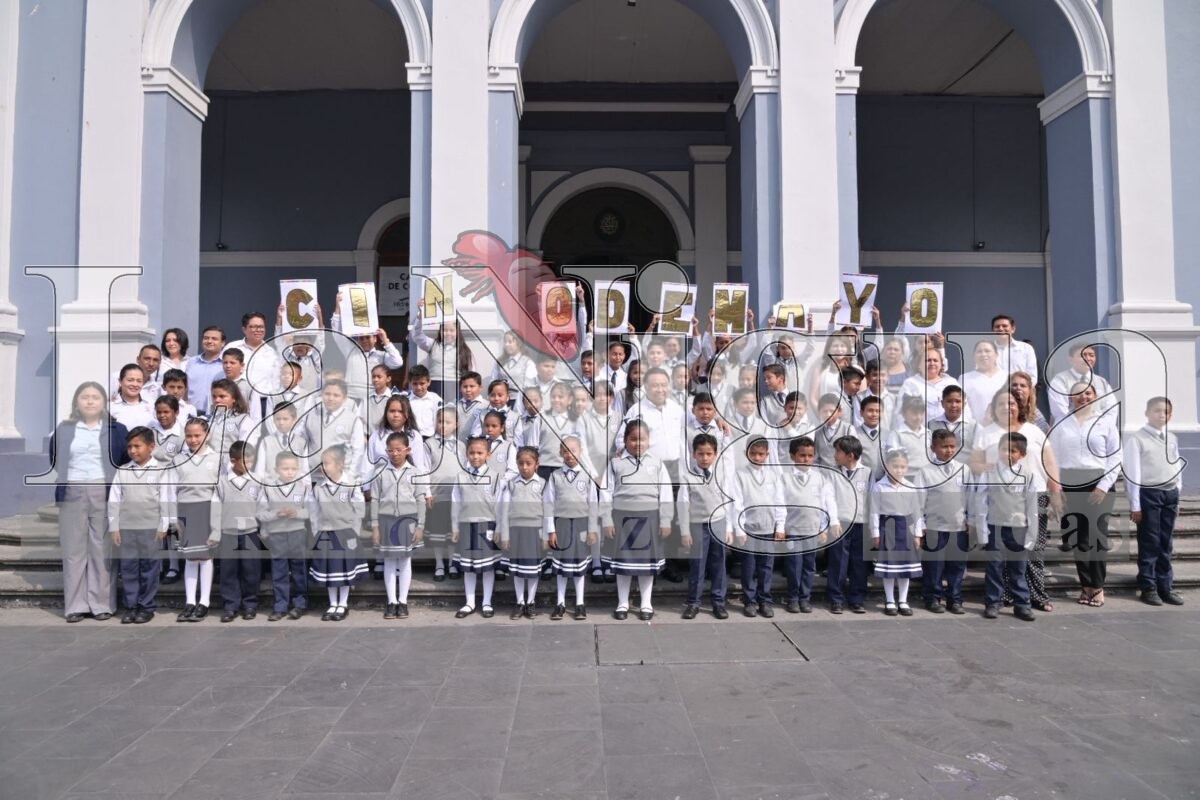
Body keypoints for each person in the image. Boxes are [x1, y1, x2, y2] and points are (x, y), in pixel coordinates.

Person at [52, 382, 130, 622]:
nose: (89, 401)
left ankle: (101, 604)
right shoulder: (65, 429)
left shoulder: (117, 429)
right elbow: (54, 458)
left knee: (102, 548)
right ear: (76, 402)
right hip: (72, 491)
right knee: (74, 549)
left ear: (104, 402)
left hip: (103, 491)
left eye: (95, 397)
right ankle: (75, 605)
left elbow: (124, 458)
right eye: (84, 397)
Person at [1048, 383, 1120, 608]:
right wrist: (1056, 489)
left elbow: (1115, 457)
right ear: (1070, 397)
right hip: (1070, 482)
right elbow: (1053, 458)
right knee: (1078, 538)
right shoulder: (1061, 424)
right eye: (1078, 394)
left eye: (1088, 393)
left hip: (1098, 482)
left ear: (1095, 396)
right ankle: (1086, 585)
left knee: (1096, 538)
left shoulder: (1105, 422)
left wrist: (1103, 486)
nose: (1083, 397)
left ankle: (1097, 586)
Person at [601, 420, 673, 621]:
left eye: (642, 439)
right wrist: (606, 518)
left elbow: (666, 493)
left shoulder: (656, 463)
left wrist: (665, 520)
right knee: (623, 565)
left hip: (649, 518)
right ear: (625, 440)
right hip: (622, 519)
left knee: (646, 566)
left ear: (649, 441)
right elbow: (606, 493)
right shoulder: (615, 463)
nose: (637, 443)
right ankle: (622, 603)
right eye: (633, 439)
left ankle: (646, 603)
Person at [974, 432, 1043, 621]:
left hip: (1018, 529)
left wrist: (1031, 534)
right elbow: (981, 502)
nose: (1008, 454)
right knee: (994, 567)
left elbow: (1032, 506)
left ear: (1022, 454)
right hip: (995, 527)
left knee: (1018, 568)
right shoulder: (988, 473)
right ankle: (992, 603)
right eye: (1004, 449)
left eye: (1013, 451)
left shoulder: (1028, 475)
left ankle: (1022, 604)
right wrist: (982, 532)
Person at [1123, 396, 1185, 607]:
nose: (1161, 415)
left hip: (1169, 494)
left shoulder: (1172, 438)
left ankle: (1165, 586)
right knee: (1150, 541)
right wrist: (1135, 505)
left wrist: (1177, 493)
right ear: (1147, 413)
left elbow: (1176, 465)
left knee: (1166, 542)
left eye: (1166, 412)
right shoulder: (1137, 439)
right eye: (1157, 411)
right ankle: (1148, 586)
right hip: (1149, 494)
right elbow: (1132, 474)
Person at [110, 427, 171, 625]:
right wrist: (114, 526)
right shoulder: (123, 471)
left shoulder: (161, 471)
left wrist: (163, 526)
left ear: (151, 447)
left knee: (149, 569)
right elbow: (114, 499)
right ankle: (130, 606)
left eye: (137, 446)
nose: (133, 451)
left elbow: (166, 499)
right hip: (127, 528)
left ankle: (146, 606)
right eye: (129, 447)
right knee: (129, 569)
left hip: (151, 529)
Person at [168, 417, 222, 622]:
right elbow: (170, 490)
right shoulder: (178, 460)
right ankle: (190, 601)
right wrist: (173, 517)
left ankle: (204, 602)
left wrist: (216, 519)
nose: (193, 440)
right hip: (185, 510)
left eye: (197, 435)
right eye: (189, 436)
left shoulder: (216, 458)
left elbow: (219, 490)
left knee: (205, 556)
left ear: (207, 435)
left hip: (207, 509)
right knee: (190, 557)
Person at [370, 432, 428, 619]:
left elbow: (420, 499)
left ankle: (403, 601)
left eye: (399, 450)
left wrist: (420, 525)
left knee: (404, 561)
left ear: (407, 450)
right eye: (390, 450)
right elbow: (375, 499)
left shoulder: (415, 472)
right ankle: (391, 601)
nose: (395, 454)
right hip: (386, 520)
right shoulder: (380, 472)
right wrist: (375, 526)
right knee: (389, 560)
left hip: (407, 521)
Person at [729, 437, 786, 618]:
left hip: (768, 529)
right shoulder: (740, 475)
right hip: (749, 530)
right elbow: (737, 503)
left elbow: (779, 501)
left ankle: (765, 600)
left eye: (761, 454)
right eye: (753, 453)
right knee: (749, 567)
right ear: (746, 453)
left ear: (767, 455)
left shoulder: (773, 476)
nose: (757, 457)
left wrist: (780, 526)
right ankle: (750, 601)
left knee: (766, 566)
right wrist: (740, 528)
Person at [781, 437, 839, 615]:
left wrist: (823, 527)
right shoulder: (784, 478)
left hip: (812, 530)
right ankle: (792, 598)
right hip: (793, 531)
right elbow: (779, 504)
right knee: (794, 565)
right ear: (792, 456)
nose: (806, 459)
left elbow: (826, 504)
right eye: (802, 455)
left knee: (809, 566)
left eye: (810, 456)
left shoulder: (820, 478)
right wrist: (781, 528)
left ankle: (804, 598)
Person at [310, 445, 368, 621]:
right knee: (330, 570)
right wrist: (316, 532)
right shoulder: (318, 487)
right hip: (325, 533)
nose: (323, 467)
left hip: (345, 533)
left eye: (326, 463)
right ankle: (332, 603)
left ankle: (343, 603)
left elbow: (358, 509)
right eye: (321, 463)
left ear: (339, 464)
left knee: (344, 569)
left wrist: (354, 532)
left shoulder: (351, 483)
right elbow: (314, 512)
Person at [678, 433, 732, 620]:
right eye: (700, 454)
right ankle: (694, 602)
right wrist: (685, 531)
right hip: (697, 524)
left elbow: (727, 501)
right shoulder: (688, 476)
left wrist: (729, 528)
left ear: (715, 454)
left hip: (718, 522)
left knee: (719, 564)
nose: (705, 458)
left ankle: (718, 602)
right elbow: (683, 505)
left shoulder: (721, 473)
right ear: (694, 454)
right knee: (697, 565)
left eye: (709, 454)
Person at [545, 436, 599, 620]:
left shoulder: (587, 474)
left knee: (579, 566)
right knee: (562, 567)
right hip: (561, 525)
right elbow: (548, 504)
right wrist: (551, 530)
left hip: (581, 524)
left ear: (580, 451)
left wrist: (592, 529)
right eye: (565, 451)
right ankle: (560, 603)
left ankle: (580, 603)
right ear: (560, 453)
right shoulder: (555, 476)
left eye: (573, 450)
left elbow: (593, 504)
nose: (569, 455)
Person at [451, 436, 505, 618]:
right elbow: (456, 503)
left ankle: (487, 602)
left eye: (480, 453)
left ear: (488, 455)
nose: (475, 456)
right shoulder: (461, 476)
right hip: (466, 525)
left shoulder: (495, 477)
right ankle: (469, 602)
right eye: (472, 453)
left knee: (488, 567)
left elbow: (500, 505)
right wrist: (455, 527)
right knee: (469, 566)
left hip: (487, 525)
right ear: (467, 454)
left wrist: (499, 528)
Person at [920, 429, 971, 615]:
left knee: (956, 566)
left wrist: (971, 519)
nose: (949, 450)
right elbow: (919, 500)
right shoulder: (926, 472)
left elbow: (970, 497)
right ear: (933, 448)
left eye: (952, 446)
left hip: (958, 526)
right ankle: (933, 598)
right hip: (935, 526)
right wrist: (920, 525)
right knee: (934, 566)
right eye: (944, 447)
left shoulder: (964, 469)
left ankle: (954, 599)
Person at [257, 452, 313, 621]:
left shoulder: (303, 487)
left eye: (293, 469)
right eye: (285, 468)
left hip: (297, 533)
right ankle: (280, 606)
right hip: (277, 535)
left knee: (299, 570)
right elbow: (260, 513)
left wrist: (297, 513)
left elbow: (311, 511)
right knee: (279, 571)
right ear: (276, 470)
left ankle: (300, 604)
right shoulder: (268, 488)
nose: (289, 472)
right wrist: (276, 514)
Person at [213, 441, 265, 622]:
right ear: (233, 461)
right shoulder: (221, 482)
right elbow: (215, 508)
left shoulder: (257, 481)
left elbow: (262, 506)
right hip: (228, 533)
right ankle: (231, 605)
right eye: (245, 462)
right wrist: (215, 532)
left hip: (250, 532)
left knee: (251, 570)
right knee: (229, 571)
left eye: (251, 461)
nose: (249, 465)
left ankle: (250, 604)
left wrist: (263, 529)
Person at [871, 448, 924, 616]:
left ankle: (903, 600)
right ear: (887, 467)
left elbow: (916, 511)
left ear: (907, 468)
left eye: (902, 467)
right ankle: (889, 600)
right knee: (890, 567)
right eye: (895, 466)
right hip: (888, 529)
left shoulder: (910, 487)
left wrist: (917, 534)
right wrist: (875, 534)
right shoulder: (879, 487)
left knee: (904, 567)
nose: (899, 470)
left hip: (905, 529)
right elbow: (874, 511)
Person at [501, 446, 547, 619]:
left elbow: (548, 511)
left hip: (535, 531)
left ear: (537, 464)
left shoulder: (542, 484)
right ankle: (520, 602)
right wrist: (505, 535)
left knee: (533, 570)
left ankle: (531, 601)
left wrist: (545, 535)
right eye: (521, 463)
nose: (524, 467)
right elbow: (504, 511)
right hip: (516, 531)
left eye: (529, 463)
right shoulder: (511, 484)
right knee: (518, 570)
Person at [830, 436, 871, 614]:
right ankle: (836, 599)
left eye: (838, 451)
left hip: (862, 523)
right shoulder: (832, 473)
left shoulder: (867, 473)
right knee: (838, 562)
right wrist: (833, 520)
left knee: (859, 563)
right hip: (841, 523)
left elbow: (872, 500)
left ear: (850, 455)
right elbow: (829, 498)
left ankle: (857, 599)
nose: (835, 455)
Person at [426, 407, 464, 581]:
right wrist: (427, 492)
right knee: (438, 533)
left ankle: (452, 563)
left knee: (452, 532)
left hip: (456, 496)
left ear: (456, 424)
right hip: (437, 495)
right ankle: (439, 564)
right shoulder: (429, 444)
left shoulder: (461, 446)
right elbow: (424, 469)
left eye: (448, 422)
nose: (443, 425)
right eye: (440, 421)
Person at [304, 378, 365, 470]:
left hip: (340, 474)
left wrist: (351, 474)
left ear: (344, 398)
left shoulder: (353, 420)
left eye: (336, 395)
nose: (330, 398)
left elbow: (358, 451)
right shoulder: (311, 415)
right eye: (327, 394)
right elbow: (303, 443)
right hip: (313, 472)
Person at [1048, 343, 1115, 423]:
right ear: (1071, 360)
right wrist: (1080, 426)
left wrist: (1102, 426)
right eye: (1082, 355)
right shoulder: (1060, 380)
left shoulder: (1102, 382)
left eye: (1091, 355)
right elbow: (1060, 412)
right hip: (1070, 428)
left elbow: (1111, 409)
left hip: (1099, 427)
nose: (1088, 358)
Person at [411, 315, 472, 400]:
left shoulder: (464, 350)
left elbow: (471, 373)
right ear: (440, 331)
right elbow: (418, 336)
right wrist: (419, 319)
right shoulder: (432, 344)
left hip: (455, 386)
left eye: (452, 330)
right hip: (435, 384)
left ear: (457, 332)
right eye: (444, 330)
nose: (448, 333)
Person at [224, 311, 282, 398]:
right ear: (244, 329)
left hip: (263, 401)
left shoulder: (272, 353)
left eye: (261, 327)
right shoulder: (232, 347)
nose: (258, 330)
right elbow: (222, 373)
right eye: (254, 327)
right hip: (236, 399)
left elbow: (276, 382)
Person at [928, 386, 977, 467]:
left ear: (964, 404)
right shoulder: (931, 425)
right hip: (936, 471)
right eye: (949, 401)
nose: (953, 405)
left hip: (964, 472)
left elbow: (979, 453)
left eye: (958, 401)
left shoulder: (974, 426)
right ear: (942, 403)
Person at [960, 341, 1007, 423]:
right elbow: (962, 407)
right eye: (979, 351)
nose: (983, 354)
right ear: (974, 356)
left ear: (996, 355)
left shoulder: (1007, 376)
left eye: (987, 351)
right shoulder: (965, 379)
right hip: (976, 427)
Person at [186, 326, 227, 415]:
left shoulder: (226, 364)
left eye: (214, 339)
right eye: (206, 338)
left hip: (217, 414)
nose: (209, 341)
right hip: (192, 414)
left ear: (223, 343)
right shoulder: (191, 362)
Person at [991, 315, 1038, 386]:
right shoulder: (985, 350)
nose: (1000, 329)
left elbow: (1032, 376)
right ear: (993, 330)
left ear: (1013, 329)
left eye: (1004, 326)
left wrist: (1022, 390)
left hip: (1019, 391)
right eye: (997, 326)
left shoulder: (1026, 348)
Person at [814, 393, 855, 469]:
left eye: (832, 411)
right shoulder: (817, 433)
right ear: (819, 412)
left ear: (839, 411)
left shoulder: (848, 429)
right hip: (824, 473)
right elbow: (815, 458)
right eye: (824, 411)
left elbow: (854, 454)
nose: (828, 414)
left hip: (843, 472)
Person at [110, 364, 155, 430]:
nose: (135, 384)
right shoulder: (111, 408)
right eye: (130, 380)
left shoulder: (152, 404)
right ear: (120, 381)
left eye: (139, 381)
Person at [403, 364, 442, 439]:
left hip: (430, 438)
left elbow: (441, 420)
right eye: (415, 384)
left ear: (429, 382)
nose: (418, 387)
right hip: (410, 438)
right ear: (410, 382)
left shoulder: (436, 399)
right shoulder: (405, 399)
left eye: (422, 383)